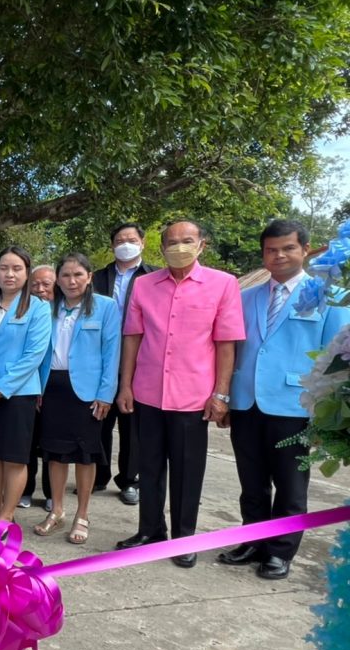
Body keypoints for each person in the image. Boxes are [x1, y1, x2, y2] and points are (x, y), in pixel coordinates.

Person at [220, 220, 350, 580]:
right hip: (246, 401)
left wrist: (325, 414)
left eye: (288, 248)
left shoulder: (331, 296)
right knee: (252, 482)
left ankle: (280, 551)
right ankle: (252, 541)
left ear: (305, 250)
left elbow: (338, 357)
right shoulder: (245, 297)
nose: (278, 256)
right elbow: (233, 348)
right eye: (271, 250)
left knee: (291, 485)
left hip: (297, 403)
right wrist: (225, 395)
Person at [115, 220, 245, 568]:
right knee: (149, 466)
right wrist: (125, 385)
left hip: (193, 397)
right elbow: (133, 337)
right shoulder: (144, 285)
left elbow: (226, 344)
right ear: (160, 249)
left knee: (187, 471)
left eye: (187, 240)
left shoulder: (223, 284)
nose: (179, 247)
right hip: (147, 392)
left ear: (202, 245)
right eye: (171, 242)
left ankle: (183, 538)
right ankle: (150, 531)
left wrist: (221, 394)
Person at [34, 254, 120, 543]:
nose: (72, 281)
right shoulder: (48, 308)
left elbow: (112, 354)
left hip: (87, 392)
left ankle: (82, 514)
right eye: (66, 275)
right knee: (55, 454)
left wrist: (105, 394)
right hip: (52, 388)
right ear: (57, 279)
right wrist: (38, 388)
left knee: (85, 455)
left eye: (78, 275)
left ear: (89, 276)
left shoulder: (105, 307)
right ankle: (56, 510)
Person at [0, 246, 51, 532]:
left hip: (18, 394)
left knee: (15, 458)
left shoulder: (38, 308)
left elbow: (34, 355)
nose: (10, 274)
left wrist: (1, 388)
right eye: (4, 268)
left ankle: (6, 516)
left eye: (17, 268)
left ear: (26, 273)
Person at [92, 223, 158, 505]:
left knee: (131, 424)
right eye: (119, 240)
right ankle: (97, 475)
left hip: (140, 359)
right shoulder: (97, 278)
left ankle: (130, 480)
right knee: (98, 419)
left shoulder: (155, 277)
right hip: (101, 358)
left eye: (131, 239)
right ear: (112, 246)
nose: (125, 244)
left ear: (142, 243)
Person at [24, 265, 55, 510]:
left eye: (46, 284)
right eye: (34, 284)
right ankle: (25, 489)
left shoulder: (62, 312)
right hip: (29, 385)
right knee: (27, 441)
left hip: (55, 386)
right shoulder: (25, 310)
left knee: (51, 444)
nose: (40, 289)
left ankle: (51, 493)